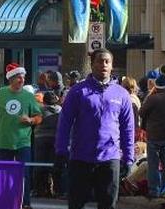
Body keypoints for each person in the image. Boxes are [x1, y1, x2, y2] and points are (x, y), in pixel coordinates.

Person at [55, 49, 135, 209]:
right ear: (92, 65)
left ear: (112, 66)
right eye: (99, 61)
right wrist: (60, 151)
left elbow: (128, 128)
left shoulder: (122, 94)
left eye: (107, 61)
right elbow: (64, 123)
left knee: (108, 204)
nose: (103, 65)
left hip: (110, 158)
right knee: (76, 204)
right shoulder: (77, 91)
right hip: (80, 157)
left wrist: (128, 157)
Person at [0, 63, 42, 209]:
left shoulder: (29, 96)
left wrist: (30, 120)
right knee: (4, 175)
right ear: (11, 79)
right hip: (3, 142)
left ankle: (25, 203)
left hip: (23, 142)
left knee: (24, 174)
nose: (22, 80)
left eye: (23, 77)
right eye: (18, 77)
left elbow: (38, 117)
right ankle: (5, 202)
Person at [139, 72, 165, 198]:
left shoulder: (153, 98)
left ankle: (154, 191)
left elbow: (142, 113)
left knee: (153, 166)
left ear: (157, 86)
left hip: (153, 136)